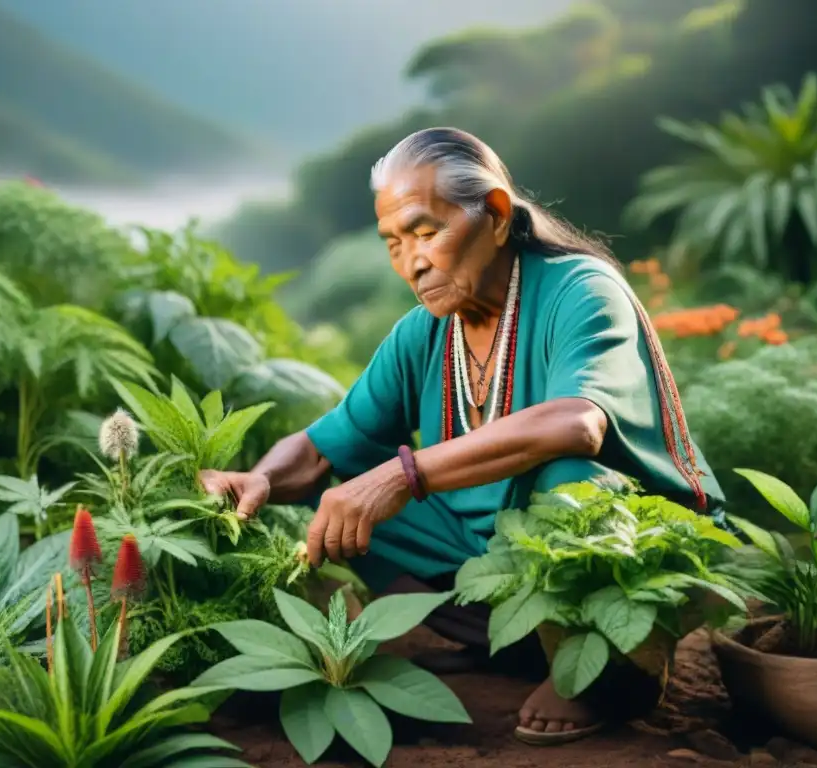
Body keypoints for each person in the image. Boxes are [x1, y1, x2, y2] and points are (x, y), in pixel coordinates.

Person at [201, 127, 724, 746]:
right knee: (334, 503)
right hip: (494, 550)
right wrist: (260, 479)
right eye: (393, 243)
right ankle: (520, 643)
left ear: (497, 215)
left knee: (567, 480)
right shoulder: (422, 333)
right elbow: (319, 450)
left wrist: (401, 474)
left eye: (426, 232)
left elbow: (577, 424)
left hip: (632, 539)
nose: (411, 261)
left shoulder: (581, 290)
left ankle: (611, 671)